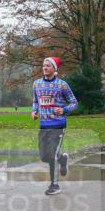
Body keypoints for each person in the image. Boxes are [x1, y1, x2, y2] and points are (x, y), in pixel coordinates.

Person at [32, 57, 78, 195]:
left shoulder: (62, 85)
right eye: (43, 65)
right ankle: (62, 159)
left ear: (54, 68)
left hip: (58, 125)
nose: (45, 68)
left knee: (52, 156)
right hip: (43, 125)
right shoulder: (37, 84)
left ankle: (55, 185)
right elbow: (35, 101)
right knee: (44, 156)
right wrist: (34, 111)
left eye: (48, 65)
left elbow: (74, 103)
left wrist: (64, 110)